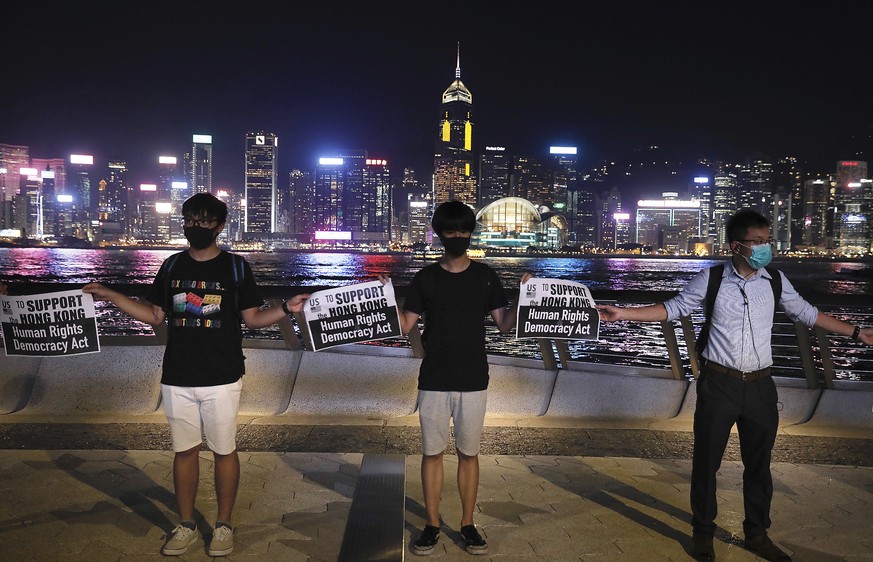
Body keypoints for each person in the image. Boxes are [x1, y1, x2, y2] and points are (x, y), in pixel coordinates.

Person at [596, 208, 873, 562]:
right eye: (756, 242)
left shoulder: (774, 281)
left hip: (760, 386)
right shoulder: (711, 279)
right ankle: (703, 534)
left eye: (767, 241)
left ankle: (757, 534)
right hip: (719, 383)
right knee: (706, 462)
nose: (764, 248)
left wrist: (856, 332)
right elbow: (674, 308)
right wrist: (624, 313)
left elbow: (808, 313)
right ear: (736, 246)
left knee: (759, 465)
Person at [84, 193, 309, 557]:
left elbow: (252, 318)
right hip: (178, 374)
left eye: (204, 222)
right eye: (190, 220)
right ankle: (185, 523)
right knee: (184, 451)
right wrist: (111, 294)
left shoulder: (236, 268)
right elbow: (155, 315)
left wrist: (286, 307)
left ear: (219, 226)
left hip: (222, 375)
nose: (196, 227)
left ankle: (223, 524)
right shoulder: (172, 266)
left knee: (224, 450)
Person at [384, 200, 531, 556]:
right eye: (451, 231)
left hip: (473, 377)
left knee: (469, 453)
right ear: (439, 234)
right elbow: (405, 325)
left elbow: (505, 324)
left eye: (463, 230)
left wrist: (525, 294)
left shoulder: (485, 277)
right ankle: (432, 524)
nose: (458, 236)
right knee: (432, 453)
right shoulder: (426, 278)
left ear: (470, 233)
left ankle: (467, 523)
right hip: (434, 376)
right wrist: (384, 295)